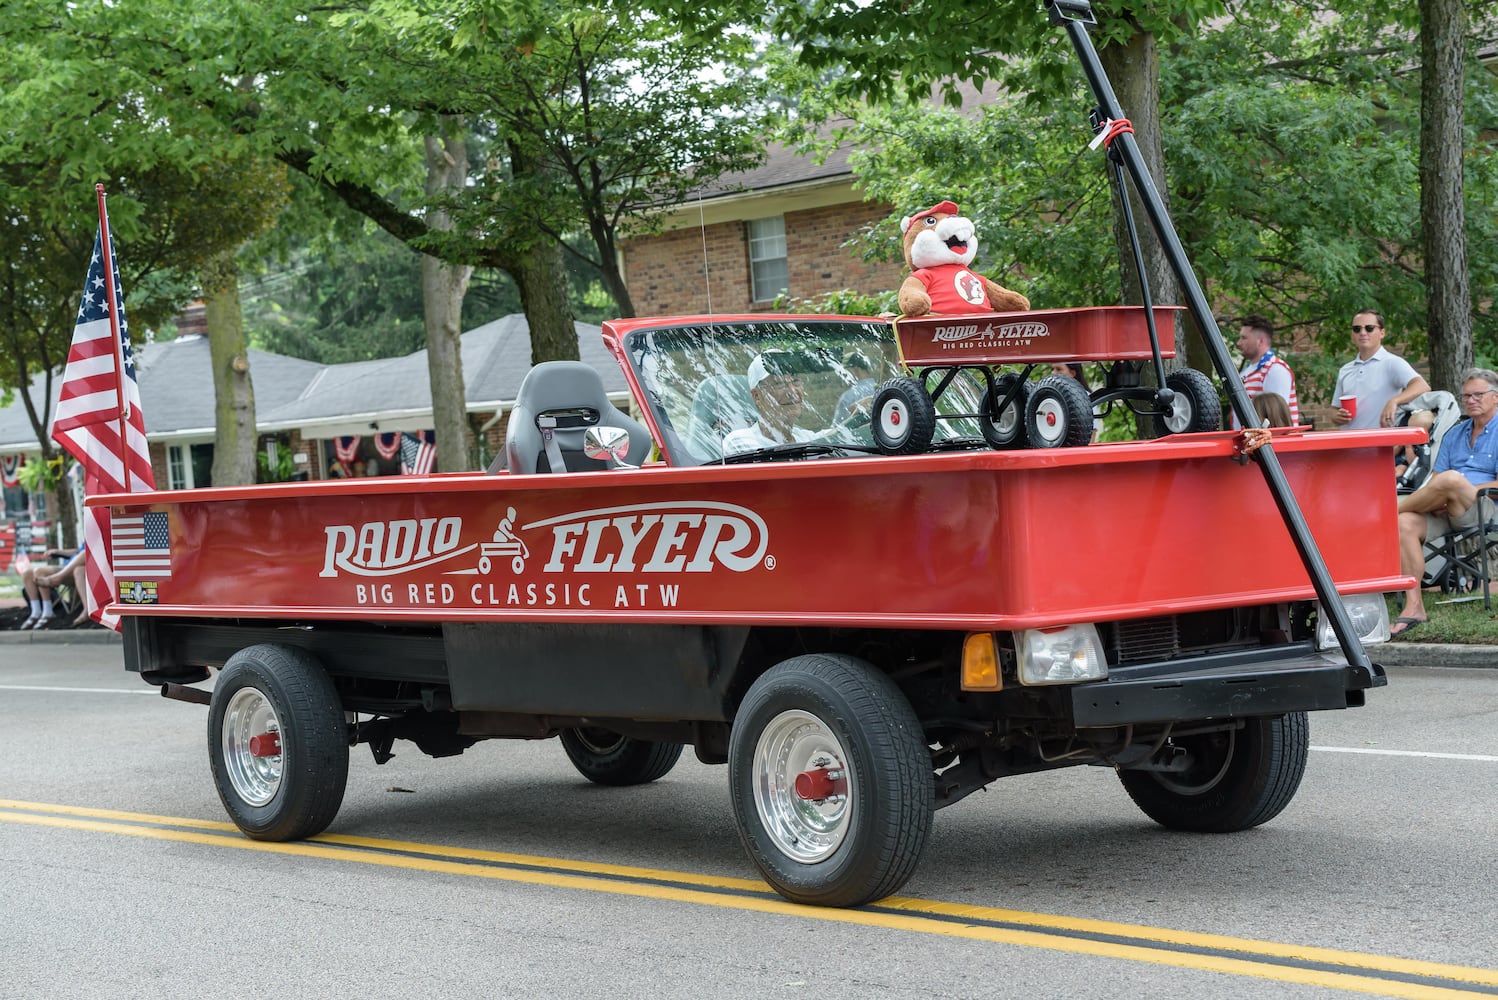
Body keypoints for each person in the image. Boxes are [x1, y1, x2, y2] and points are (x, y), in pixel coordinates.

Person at [1392, 368, 1498, 636]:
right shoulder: (1455, 434)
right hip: (1446, 507)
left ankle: (1388, 511)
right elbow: (1435, 479)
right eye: (1466, 396)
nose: (1471, 400)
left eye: (1478, 395)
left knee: (1451, 479)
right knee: (1405, 523)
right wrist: (1440, 494)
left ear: (1495, 397)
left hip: (1485, 507)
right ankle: (1414, 607)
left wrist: (1457, 487)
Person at [1330, 309, 1429, 430]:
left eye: (1369, 328)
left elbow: (1422, 385)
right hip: (1349, 443)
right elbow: (1334, 410)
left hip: (1381, 443)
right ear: (1352, 334)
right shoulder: (1345, 370)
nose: (1362, 332)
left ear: (1382, 333)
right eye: (1357, 329)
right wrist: (1337, 416)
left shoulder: (1392, 363)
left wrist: (1394, 401)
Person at [722, 351, 818, 456]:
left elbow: (837, 433)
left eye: (796, 381)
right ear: (756, 396)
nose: (792, 391)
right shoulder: (741, 443)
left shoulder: (810, 440)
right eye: (779, 383)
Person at [1234, 316, 1300, 427]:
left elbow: (1276, 417)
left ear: (1261, 341)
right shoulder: (1248, 371)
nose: (1239, 343)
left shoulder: (1275, 370)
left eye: (1244, 338)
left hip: (1270, 442)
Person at [18, 545, 87, 629]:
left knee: (39, 571)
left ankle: (48, 612)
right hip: (67, 566)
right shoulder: (90, 535)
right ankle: (36, 612)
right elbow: (78, 552)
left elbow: (86, 553)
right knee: (27, 574)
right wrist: (58, 552)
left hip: (78, 570)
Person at [1050, 362, 1100, 442]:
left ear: (1072, 373)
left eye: (1059, 369)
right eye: (1052, 369)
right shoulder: (1048, 398)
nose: (1053, 373)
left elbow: (1091, 435)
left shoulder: (1086, 398)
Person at [833, 352, 878, 426]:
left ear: (855, 369)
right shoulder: (882, 387)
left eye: (843, 372)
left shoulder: (847, 397)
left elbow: (836, 429)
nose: (842, 376)